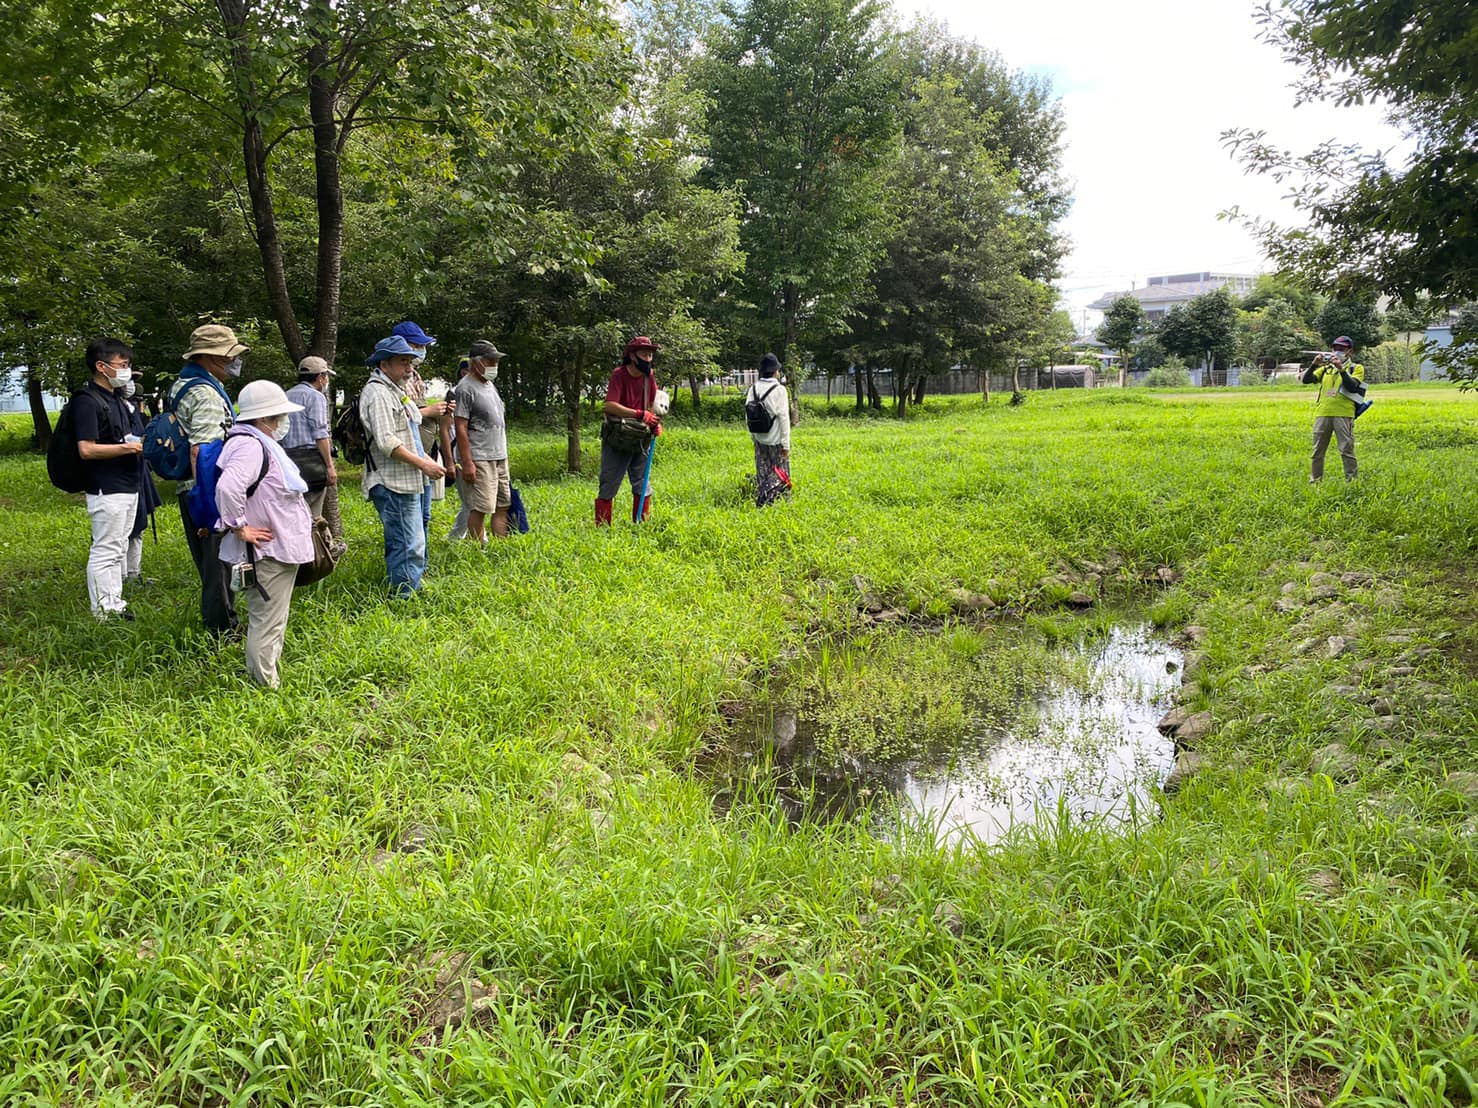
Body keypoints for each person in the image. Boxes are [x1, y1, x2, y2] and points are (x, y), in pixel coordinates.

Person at [215, 381, 315, 688]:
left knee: (271, 618)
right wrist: (239, 526)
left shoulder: (255, 442)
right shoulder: (249, 445)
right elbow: (228, 487)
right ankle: (264, 687)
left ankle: (265, 676)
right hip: (267, 550)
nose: (282, 422)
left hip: (275, 546)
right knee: (267, 621)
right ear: (264, 419)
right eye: (278, 416)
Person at [169, 324, 244, 636]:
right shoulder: (206, 394)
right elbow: (203, 450)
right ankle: (222, 630)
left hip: (192, 487)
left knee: (212, 562)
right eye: (229, 356)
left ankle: (222, 620)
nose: (234, 362)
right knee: (218, 564)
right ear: (210, 357)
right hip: (208, 489)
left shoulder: (183, 384)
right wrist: (209, 504)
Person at [359, 335, 448, 596]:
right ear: (384, 365)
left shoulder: (394, 390)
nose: (410, 368)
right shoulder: (377, 394)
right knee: (407, 542)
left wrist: (426, 459)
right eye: (403, 362)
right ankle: (404, 597)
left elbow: (408, 431)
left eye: (410, 361)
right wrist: (423, 464)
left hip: (408, 479)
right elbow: (387, 441)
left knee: (413, 539)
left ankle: (411, 585)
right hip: (392, 482)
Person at [74, 337, 143, 621]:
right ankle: (103, 610)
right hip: (107, 488)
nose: (126, 370)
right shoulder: (87, 402)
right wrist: (129, 447)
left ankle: (115, 602)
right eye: (122, 365)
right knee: (105, 549)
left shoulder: (116, 401)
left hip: (128, 484)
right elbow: (86, 449)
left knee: (120, 545)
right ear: (101, 367)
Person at [391, 320, 454, 533]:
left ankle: (423, 562)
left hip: (425, 450)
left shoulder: (415, 376)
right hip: (408, 456)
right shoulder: (393, 380)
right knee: (411, 520)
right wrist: (429, 411)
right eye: (416, 345)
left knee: (424, 515)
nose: (421, 351)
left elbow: (419, 411)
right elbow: (399, 417)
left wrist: (442, 412)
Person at [596, 335, 662, 525]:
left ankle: (641, 525)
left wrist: (655, 423)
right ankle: (602, 528)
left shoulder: (649, 377)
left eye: (650, 355)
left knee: (642, 483)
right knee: (609, 483)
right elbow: (609, 405)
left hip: (640, 438)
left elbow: (651, 406)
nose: (648, 359)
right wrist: (639, 414)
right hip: (617, 437)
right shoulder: (619, 374)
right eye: (644, 354)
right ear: (632, 356)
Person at [452, 341, 512, 545]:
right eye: (491, 360)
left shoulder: (489, 385)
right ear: (476, 362)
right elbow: (460, 427)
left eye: (496, 361)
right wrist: (467, 462)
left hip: (499, 454)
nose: (495, 365)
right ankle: (479, 550)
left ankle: (500, 545)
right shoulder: (465, 388)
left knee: (503, 503)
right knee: (481, 506)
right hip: (479, 456)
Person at [283, 355, 338, 523]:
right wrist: (329, 466)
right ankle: (317, 548)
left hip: (286, 461)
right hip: (310, 462)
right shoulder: (315, 397)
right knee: (314, 517)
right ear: (320, 377)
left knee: (293, 514)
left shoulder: (285, 395)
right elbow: (321, 434)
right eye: (326, 376)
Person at [121, 367, 162, 588]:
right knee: (121, 531)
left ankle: (133, 574)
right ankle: (120, 578)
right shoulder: (110, 408)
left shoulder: (132, 409)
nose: (131, 385)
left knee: (138, 525)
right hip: (119, 477)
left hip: (138, 471)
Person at [1302, 335, 1364, 482]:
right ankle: (1315, 481)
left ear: (1350, 352)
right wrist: (1314, 365)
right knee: (1317, 451)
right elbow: (1306, 380)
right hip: (1322, 413)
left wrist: (1341, 369)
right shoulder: (1325, 369)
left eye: (1341, 349)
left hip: (1344, 414)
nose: (1337, 352)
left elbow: (1353, 386)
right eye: (1335, 348)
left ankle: (1352, 480)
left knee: (1346, 450)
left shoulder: (1357, 368)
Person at [746, 352, 792, 507]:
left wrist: (754, 437)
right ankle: (773, 500)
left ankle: (763, 495)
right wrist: (786, 444)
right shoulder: (780, 390)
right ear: (775, 371)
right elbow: (784, 418)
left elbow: (749, 415)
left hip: (759, 438)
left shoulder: (753, 388)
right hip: (776, 439)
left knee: (762, 470)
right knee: (780, 471)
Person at [447, 357, 473, 541]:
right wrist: (449, 461)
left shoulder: (478, 391)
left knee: (473, 500)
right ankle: (457, 536)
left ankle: (460, 536)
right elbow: (445, 430)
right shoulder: (454, 394)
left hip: (477, 452)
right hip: (460, 454)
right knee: (470, 501)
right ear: (464, 373)